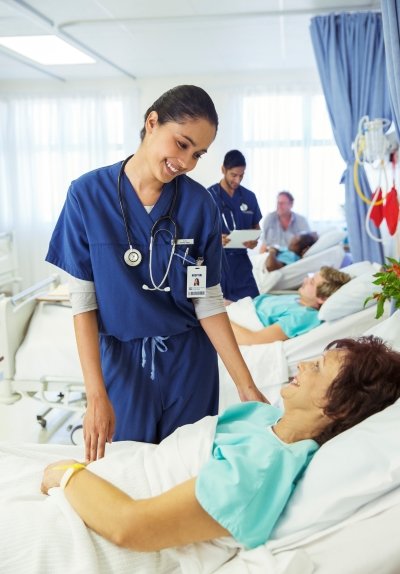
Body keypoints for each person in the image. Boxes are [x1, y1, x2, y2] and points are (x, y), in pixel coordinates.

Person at [33, 336, 400, 564]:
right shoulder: (262, 418)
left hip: (88, 519)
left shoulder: (260, 468)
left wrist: (66, 474)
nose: (303, 363)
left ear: (339, 408)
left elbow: (131, 527)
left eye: (318, 367)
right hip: (105, 480)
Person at [45, 85, 266, 462]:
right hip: (122, 364)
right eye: (182, 144)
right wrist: (96, 395)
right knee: (124, 474)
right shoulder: (87, 195)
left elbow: (207, 300)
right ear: (151, 123)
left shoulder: (199, 204)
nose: (187, 161)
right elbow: (83, 303)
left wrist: (247, 387)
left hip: (189, 365)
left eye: (197, 154)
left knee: (186, 475)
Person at [229, 266, 351, 345]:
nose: (305, 280)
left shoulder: (304, 316)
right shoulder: (298, 298)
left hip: (233, 323)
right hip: (232, 313)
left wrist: (220, 316)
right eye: (310, 277)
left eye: (312, 282)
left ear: (322, 298)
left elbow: (253, 339)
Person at [208, 150, 262, 301]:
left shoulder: (249, 197)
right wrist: (215, 239)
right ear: (223, 170)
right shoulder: (208, 196)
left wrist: (253, 241)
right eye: (233, 175)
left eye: (241, 175)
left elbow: (255, 227)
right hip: (217, 263)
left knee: (252, 306)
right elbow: (197, 232)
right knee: (222, 312)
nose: (238, 180)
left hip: (241, 264)